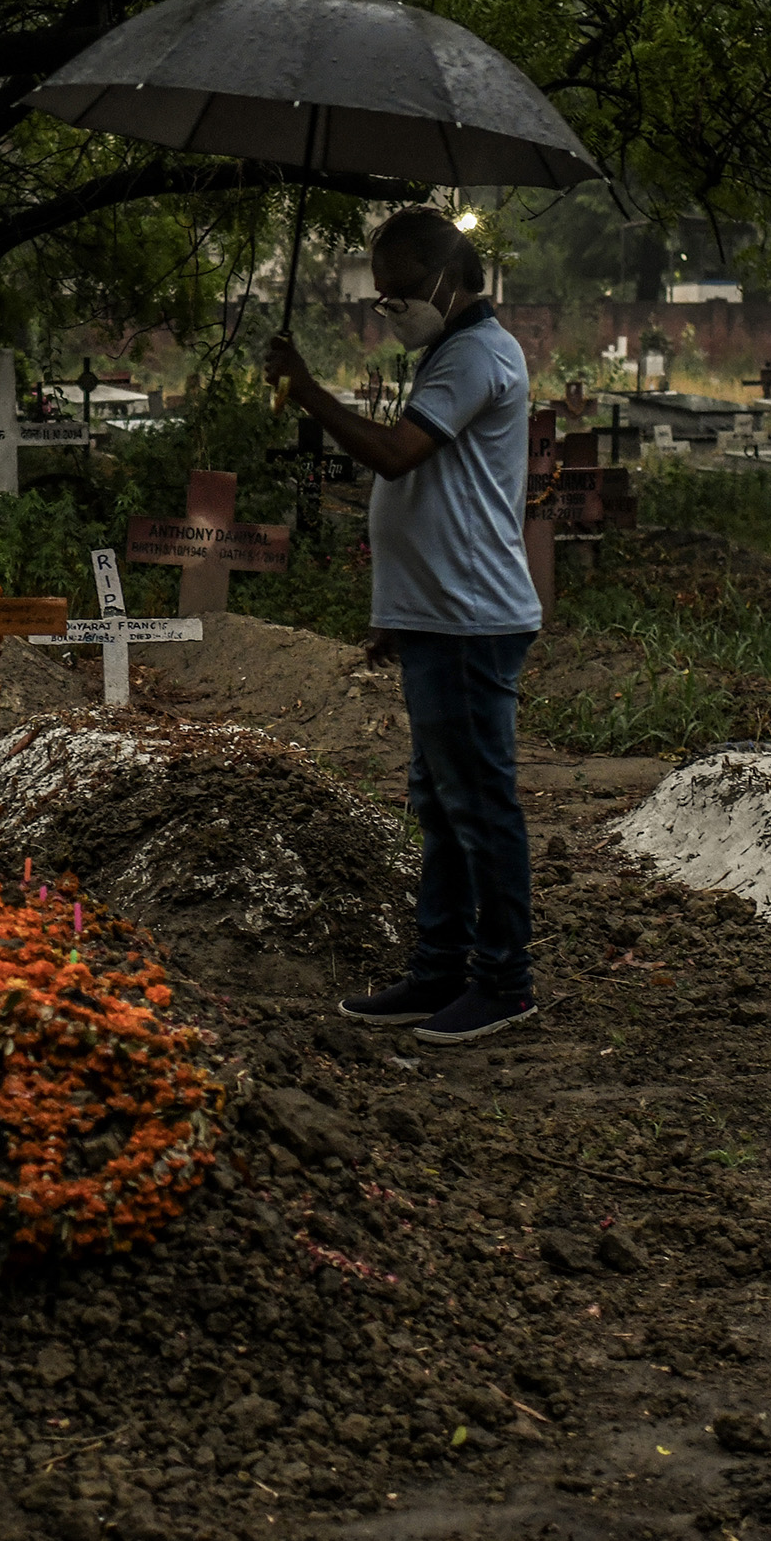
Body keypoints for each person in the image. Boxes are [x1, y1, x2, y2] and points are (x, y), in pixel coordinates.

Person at [262, 206, 539, 1044]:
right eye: (381, 296)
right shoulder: (450, 353)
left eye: (401, 292)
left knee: (478, 806)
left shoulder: (476, 355)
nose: (390, 309)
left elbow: (394, 456)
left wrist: (307, 389)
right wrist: (396, 612)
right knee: (444, 807)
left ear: (449, 279)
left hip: (468, 620)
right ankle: (439, 970)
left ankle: (504, 982)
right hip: (438, 616)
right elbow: (433, 497)